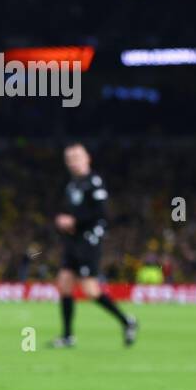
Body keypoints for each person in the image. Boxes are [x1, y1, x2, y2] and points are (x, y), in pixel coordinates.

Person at [52, 143, 138, 348]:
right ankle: (67, 336)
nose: (73, 162)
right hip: (73, 240)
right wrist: (64, 221)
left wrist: (75, 222)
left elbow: (101, 212)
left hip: (89, 240)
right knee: (64, 284)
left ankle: (127, 321)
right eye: (69, 158)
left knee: (90, 290)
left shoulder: (94, 182)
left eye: (76, 157)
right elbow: (72, 212)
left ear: (87, 158)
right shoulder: (72, 185)